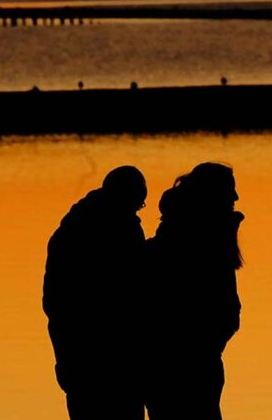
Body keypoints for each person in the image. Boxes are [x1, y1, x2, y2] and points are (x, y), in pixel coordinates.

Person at [42, 165, 148, 420]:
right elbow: (132, 291)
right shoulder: (122, 229)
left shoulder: (69, 230)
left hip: (76, 356)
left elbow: (52, 302)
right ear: (127, 197)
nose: (137, 211)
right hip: (108, 359)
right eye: (137, 204)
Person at [145, 162, 244, 420]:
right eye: (229, 191)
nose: (235, 197)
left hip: (190, 359)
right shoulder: (198, 244)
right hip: (182, 363)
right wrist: (208, 343)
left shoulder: (190, 238)